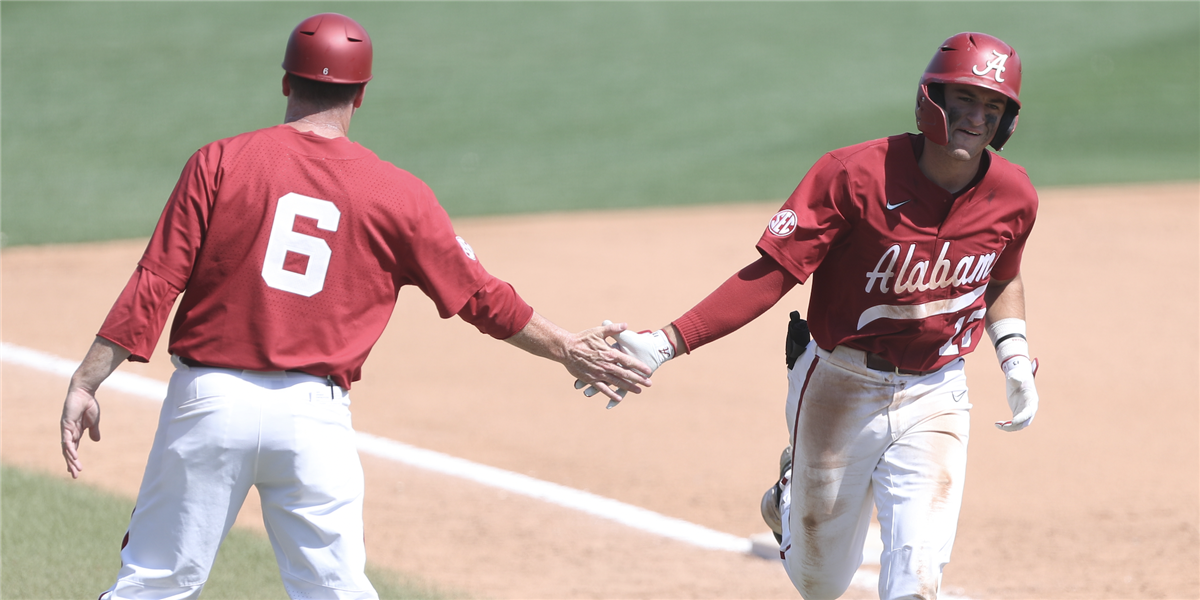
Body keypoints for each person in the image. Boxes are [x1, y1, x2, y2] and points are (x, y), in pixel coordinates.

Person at [59, 13, 650, 600]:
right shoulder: (399, 195)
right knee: (335, 592)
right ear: (361, 95)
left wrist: (88, 379)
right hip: (314, 422)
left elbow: (155, 282)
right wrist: (567, 346)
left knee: (155, 583)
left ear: (287, 82)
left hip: (210, 405)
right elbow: (479, 295)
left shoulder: (219, 162)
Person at [581, 32, 1040, 599]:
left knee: (916, 580)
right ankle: (792, 490)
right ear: (932, 101)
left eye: (993, 107)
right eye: (966, 100)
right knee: (820, 584)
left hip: (937, 392)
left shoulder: (1013, 194)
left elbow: (1001, 271)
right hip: (840, 385)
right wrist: (667, 341)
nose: (977, 118)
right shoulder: (853, 175)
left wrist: (1013, 352)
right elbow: (772, 275)